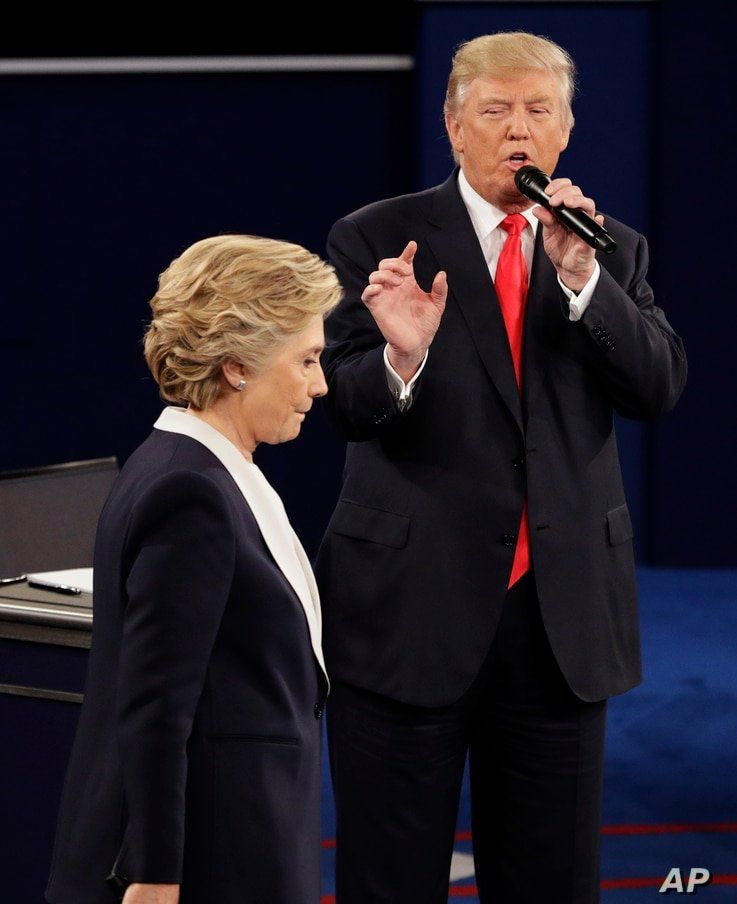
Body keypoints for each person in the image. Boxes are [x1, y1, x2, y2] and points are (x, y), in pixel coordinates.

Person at [316, 31, 687, 903]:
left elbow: (658, 387)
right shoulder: (378, 237)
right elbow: (337, 399)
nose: (517, 130)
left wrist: (583, 285)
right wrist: (400, 359)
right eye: (495, 111)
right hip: (408, 609)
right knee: (389, 878)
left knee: (550, 880)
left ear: (563, 133)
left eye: (537, 112)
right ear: (453, 126)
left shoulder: (608, 249)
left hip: (558, 621)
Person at [45, 235, 341, 904]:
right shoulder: (192, 493)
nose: (320, 385)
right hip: (212, 860)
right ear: (238, 365)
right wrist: (155, 874)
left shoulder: (199, 469)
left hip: (241, 838)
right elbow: (155, 705)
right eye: (307, 360)